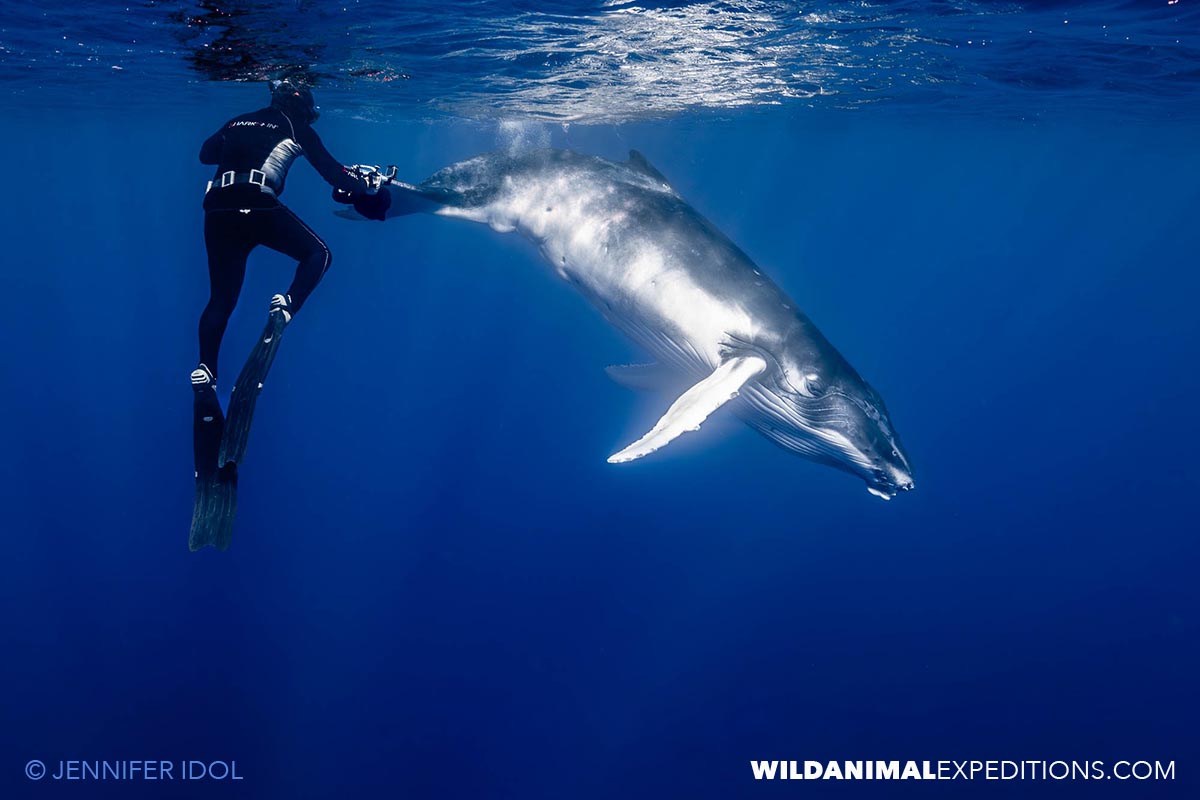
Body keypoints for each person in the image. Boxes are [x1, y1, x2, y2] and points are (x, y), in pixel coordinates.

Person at [189, 78, 375, 551]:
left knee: (220, 300)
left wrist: (241, 140)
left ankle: (205, 370)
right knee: (318, 256)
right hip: (257, 204)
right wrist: (368, 185)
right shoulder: (294, 124)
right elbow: (335, 176)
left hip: (216, 210)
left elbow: (205, 155)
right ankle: (286, 305)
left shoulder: (236, 120)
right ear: (302, 103)